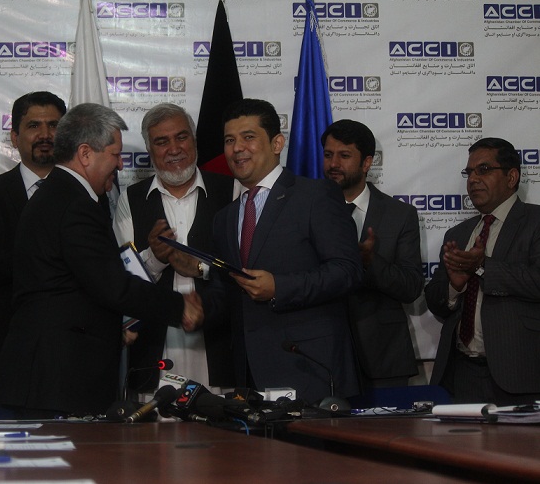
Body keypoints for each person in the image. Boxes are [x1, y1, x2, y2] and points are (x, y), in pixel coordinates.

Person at [0, 103, 202, 417]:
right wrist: (179, 307)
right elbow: (112, 286)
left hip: (49, 376)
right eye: (115, 154)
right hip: (55, 379)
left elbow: (77, 289)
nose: (120, 165)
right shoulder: (75, 204)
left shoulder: (59, 195)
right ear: (85, 154)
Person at [196, 99, 363, 405]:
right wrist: (193, 306)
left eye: (248, 137)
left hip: (310, 371)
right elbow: (226, 291)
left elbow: (347, 271)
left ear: (277, 143)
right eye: (230, 140)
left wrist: (279, 287)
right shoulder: (224, 218)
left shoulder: (315, 196)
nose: (237, 148)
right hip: (248, 378)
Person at [113, 103, 234, 395]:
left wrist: (201, 268)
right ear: (149, 149)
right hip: (153, 350)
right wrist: (155, 258)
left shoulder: (232, 190)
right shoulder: (131, 199)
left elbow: (246, 268)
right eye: (162, 141)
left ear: (194, 140)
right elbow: (120, 282)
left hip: (219, 347)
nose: (174, 149)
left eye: (181, 137)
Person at [0, 91, 66, 392]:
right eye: (34, 126)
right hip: (9, 346)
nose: (45, 134)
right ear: (15, 137)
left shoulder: (89, 191)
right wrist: (39, 256)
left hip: (71, 348)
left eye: (54, 125)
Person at [425, 137, 540, 405]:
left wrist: (482, 267)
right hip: (461, 374)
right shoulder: (458, 233)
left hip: (520, 374)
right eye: (469, 172)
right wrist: (455, 286)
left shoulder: (535, 222)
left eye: (484, 170)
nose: (473, 179)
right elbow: (434, 300)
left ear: (511, 177)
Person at [322, 119, 423, 388]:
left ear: (367, 163)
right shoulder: (305, 210)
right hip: (322, 358)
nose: (333, 164)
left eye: (344, 156)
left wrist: (369, 262)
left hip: (383, 358)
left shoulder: (400, 215)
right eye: (328, 155)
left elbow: (411, 286)